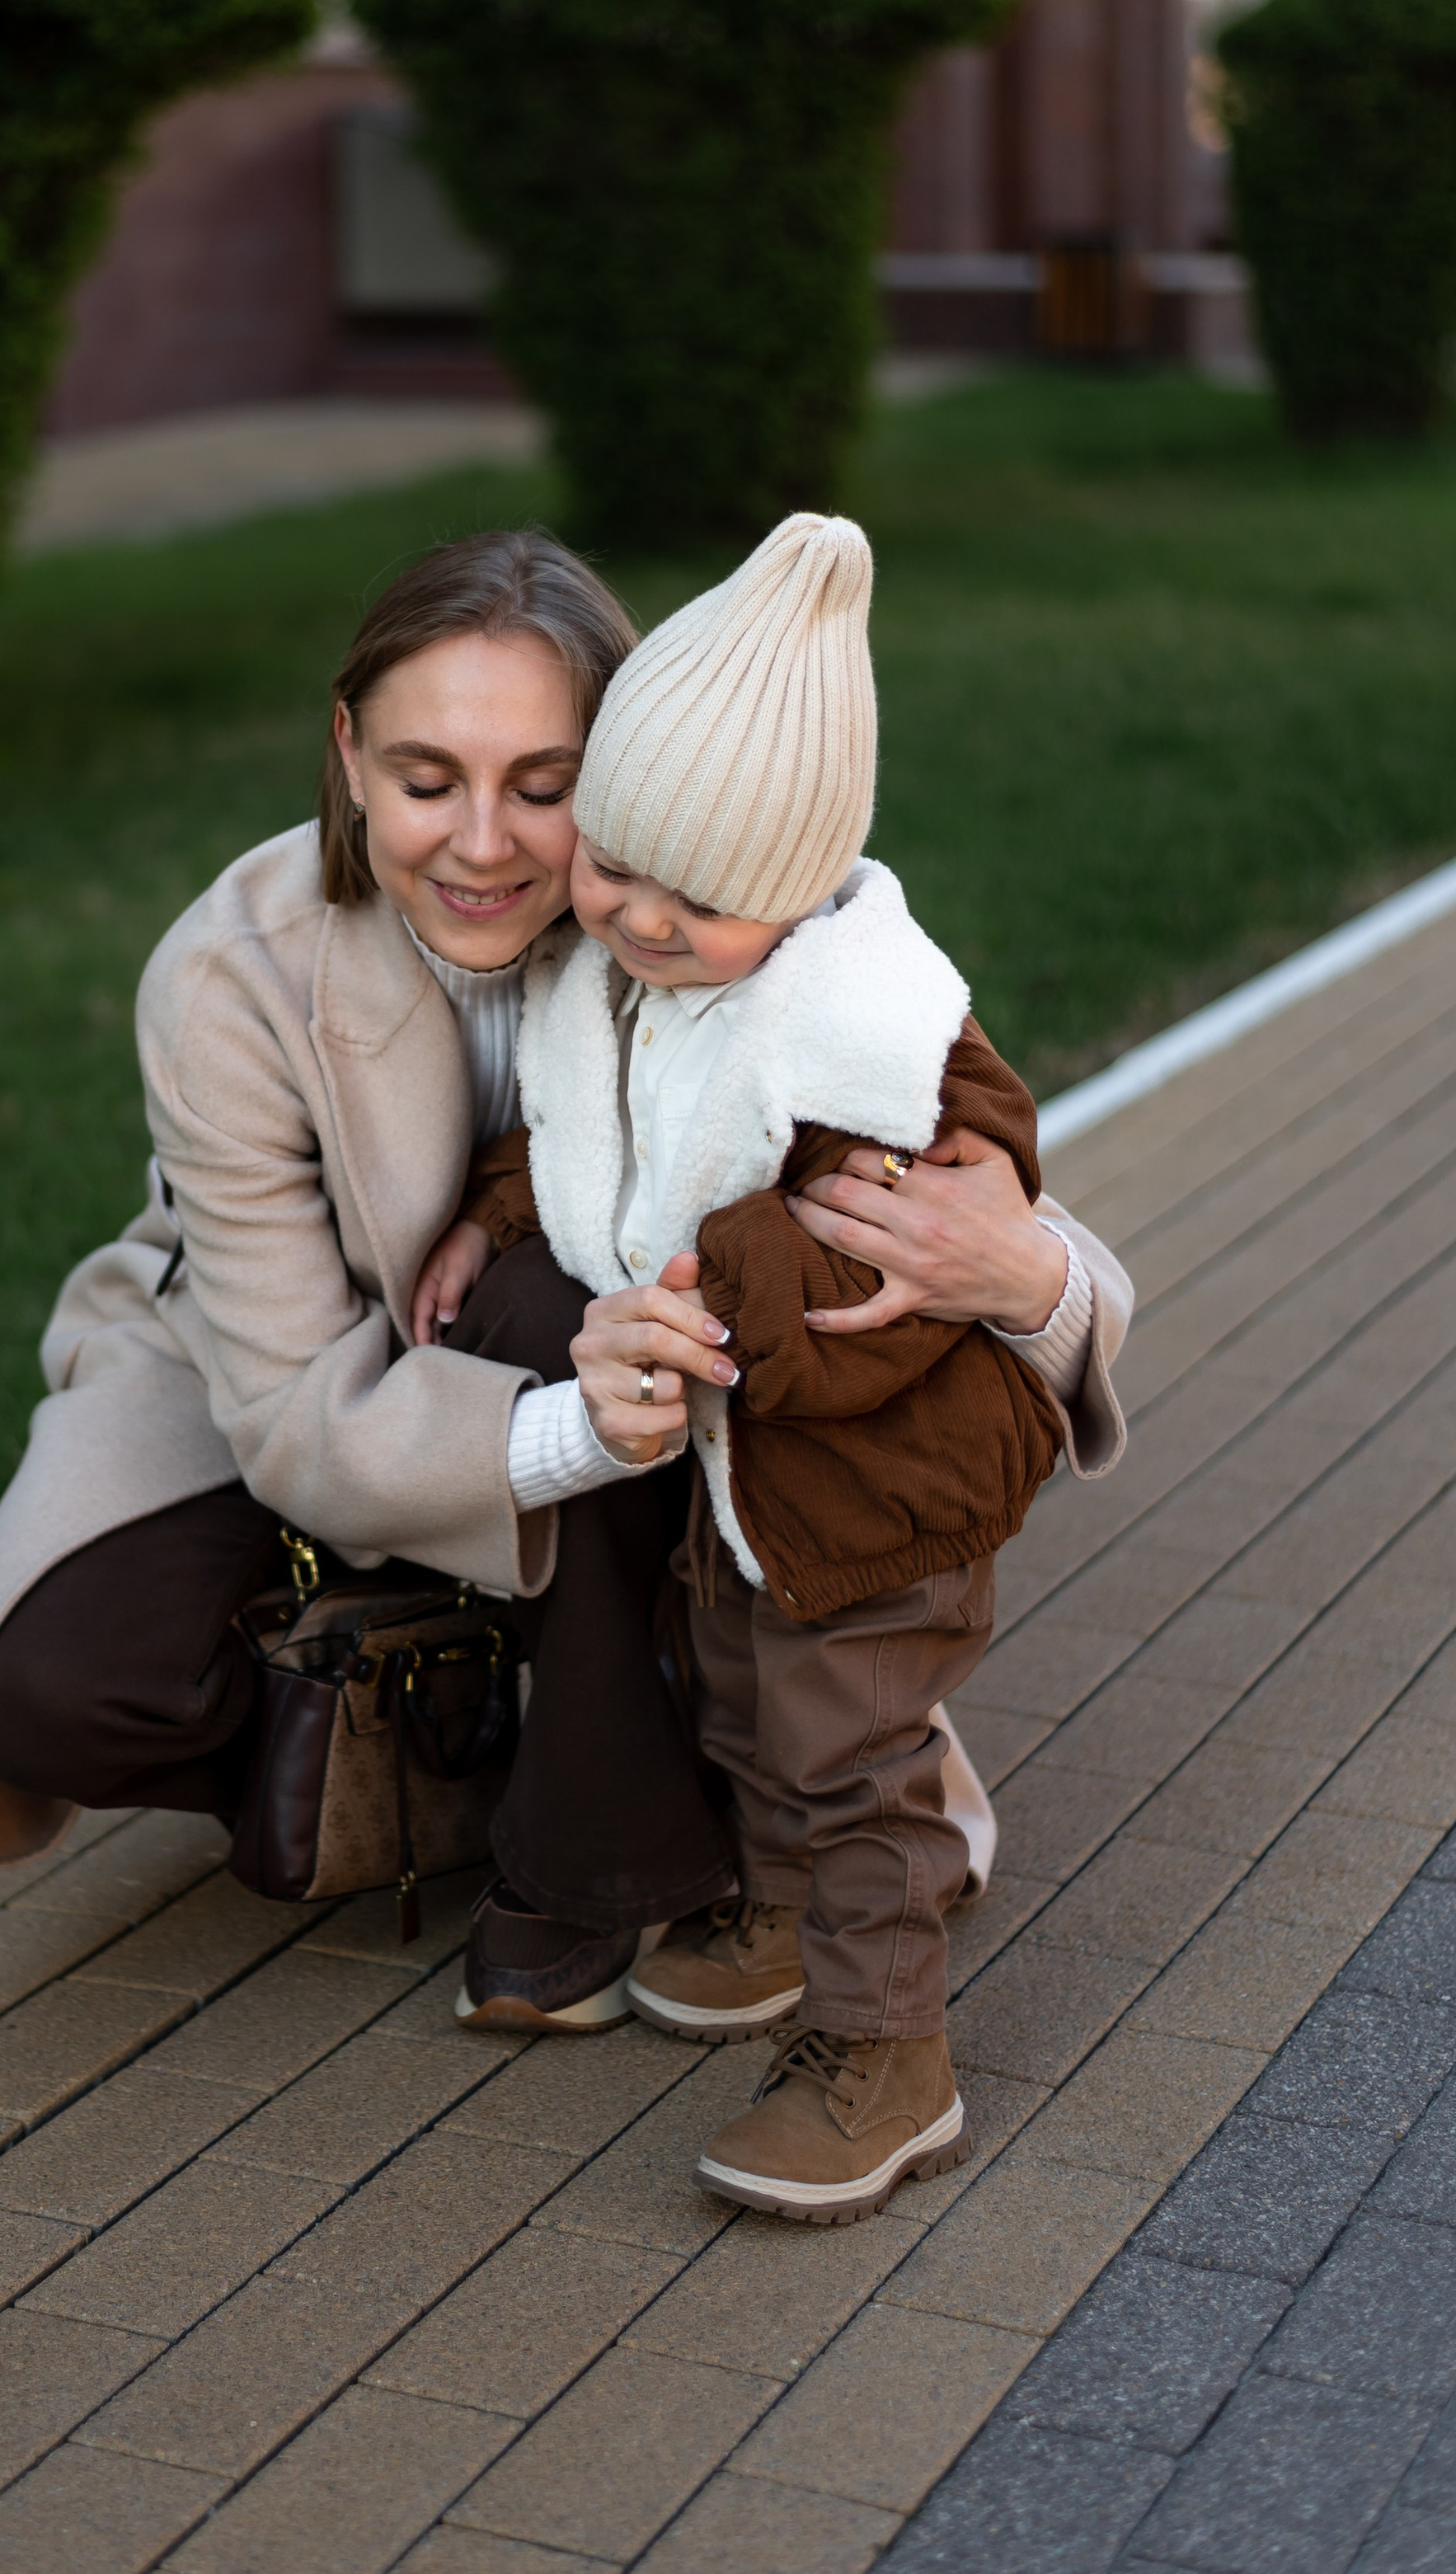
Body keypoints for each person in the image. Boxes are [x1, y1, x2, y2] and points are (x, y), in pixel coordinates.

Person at [0, 527, 1131, 2035]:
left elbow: (1019, 1222)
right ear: (348, 755)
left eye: (546, 788)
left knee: (567, 1304)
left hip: (625, 1364)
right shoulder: (232, 971)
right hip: (275, 1355)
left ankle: (606, 1834)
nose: (485, 843)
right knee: (57, 1684)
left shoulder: (728, 909)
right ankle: (486, 1731)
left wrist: (1019, 1272)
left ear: (627, 769)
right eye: (428, 779)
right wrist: (575, 1434)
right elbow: (291, 1400)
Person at [420, 512, 1131, 2215]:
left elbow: (926, 1199)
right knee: (741, 1704)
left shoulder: (875, 1030)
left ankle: (885, 2058)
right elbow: (608, 1126)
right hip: (752, 1491)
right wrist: (504, 1205)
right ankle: (785, 1913)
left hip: (875, 1487)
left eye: (704, 896)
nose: (643, 922)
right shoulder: (638, 976)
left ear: (808, 883)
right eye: (617, 871)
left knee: (850, 1756)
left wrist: (704, 1281)